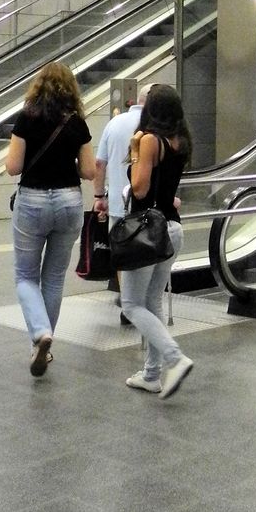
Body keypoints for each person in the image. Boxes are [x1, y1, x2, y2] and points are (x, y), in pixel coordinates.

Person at [5, 61, 96, 378]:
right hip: (69, 201)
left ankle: (40, 332)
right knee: (54, 278)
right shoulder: (78, 123)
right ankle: (43, 345)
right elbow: (88, 172)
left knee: (26, 277)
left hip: (32, 201)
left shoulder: (26, 119)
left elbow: (13, 167)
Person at [120, 82, 194, 400]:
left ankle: (175, 359)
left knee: (132, 304)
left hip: (149, 231)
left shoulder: (149, 141)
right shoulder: (180, 141)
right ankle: (152, 374)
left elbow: (139, 189)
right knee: (152, 301)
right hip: (172, 230)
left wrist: (136, 150)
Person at [94, 84, 151, 323]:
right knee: (147, 252)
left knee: (122, 255)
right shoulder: (157, 127)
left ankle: (128, 304)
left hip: (118, 204)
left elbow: (99, 163)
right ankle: (143, 303)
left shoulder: (114, 123)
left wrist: (99, 197)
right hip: (149, 205)